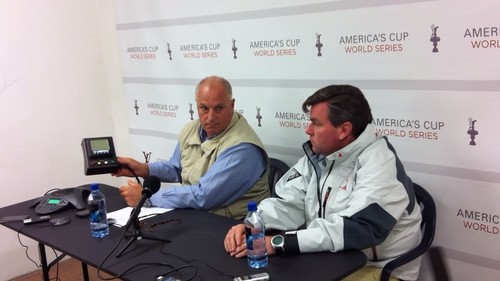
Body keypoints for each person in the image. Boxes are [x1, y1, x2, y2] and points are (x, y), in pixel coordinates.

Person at [224, 85, 423, 281]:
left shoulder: (380, 162)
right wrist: (255, 223)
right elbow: (288, 201)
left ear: (344, 130)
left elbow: (358, 229)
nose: (307, 129)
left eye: (316, 123)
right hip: (329, 257)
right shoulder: (319, 155)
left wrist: (279, 243)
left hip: (379, 268)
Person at [114, 76, 270, 220]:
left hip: (236, 227)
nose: (210, 117)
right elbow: (176, 168)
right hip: (199, 217)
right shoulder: (191, 129)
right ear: (196, 106)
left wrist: (146, 197)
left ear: (232, 105)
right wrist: (144, 169)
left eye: (218, 108)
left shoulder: (243, 148)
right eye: (204, 108)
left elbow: (205, 196)